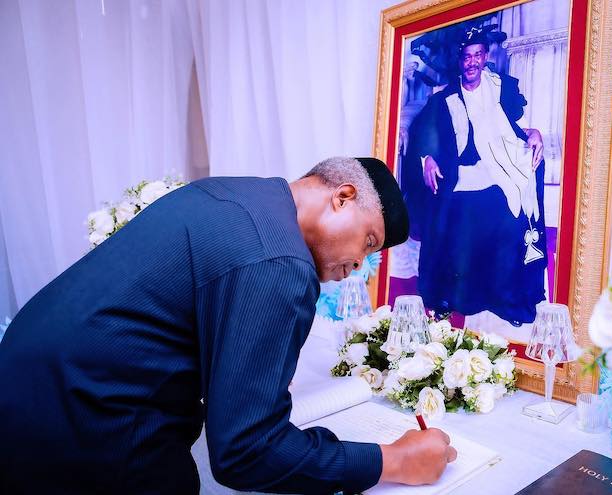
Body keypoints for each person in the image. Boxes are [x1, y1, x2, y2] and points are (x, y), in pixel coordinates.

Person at [0, 157, 456, 494]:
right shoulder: (280, 260)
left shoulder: (236, 194)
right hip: (86, 421)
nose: (357, 266)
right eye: (368, 242)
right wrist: (392, 460)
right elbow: (247, 452)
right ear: (342, 197)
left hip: (26, 388)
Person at [402, 27, 548, 325]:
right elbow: (423, 134)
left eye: (477, 56)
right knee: (460, 218)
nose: (472, 63)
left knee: (509, 217)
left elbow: (511, 128)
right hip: (462, 175)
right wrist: (427, 158)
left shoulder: (499, 89)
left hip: (499, 171)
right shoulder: (445, 98)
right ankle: (453, 297)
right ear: (460, 60)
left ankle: (505, 299)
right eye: (467, 57)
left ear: (485, 57)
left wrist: (534, 133)